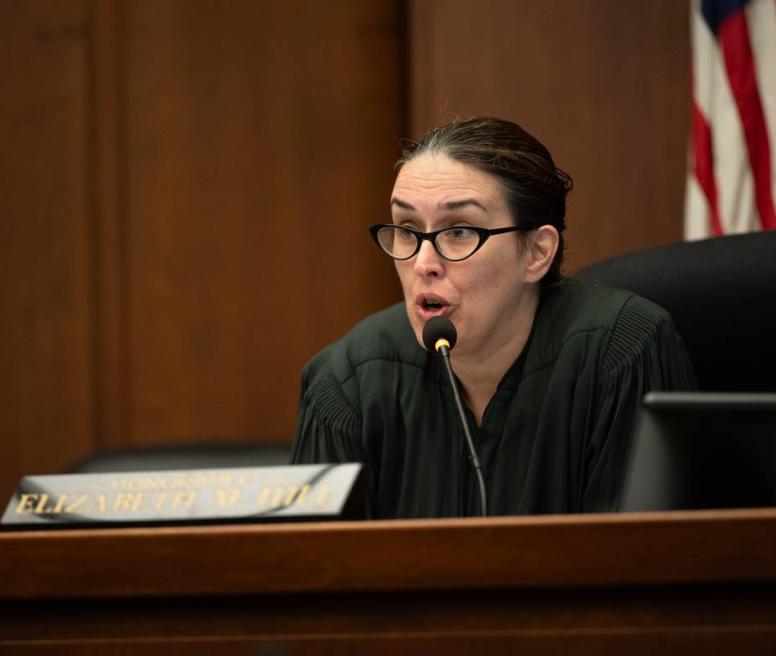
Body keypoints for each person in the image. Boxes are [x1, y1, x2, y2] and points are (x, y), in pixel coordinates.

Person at [291, 116, 696, 518]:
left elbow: (645, 562)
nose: (423, 263)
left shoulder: (621, 353)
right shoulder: (346, 382)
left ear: (537, 252)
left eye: (460, 231)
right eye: (408, 228)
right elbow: (316, 571)